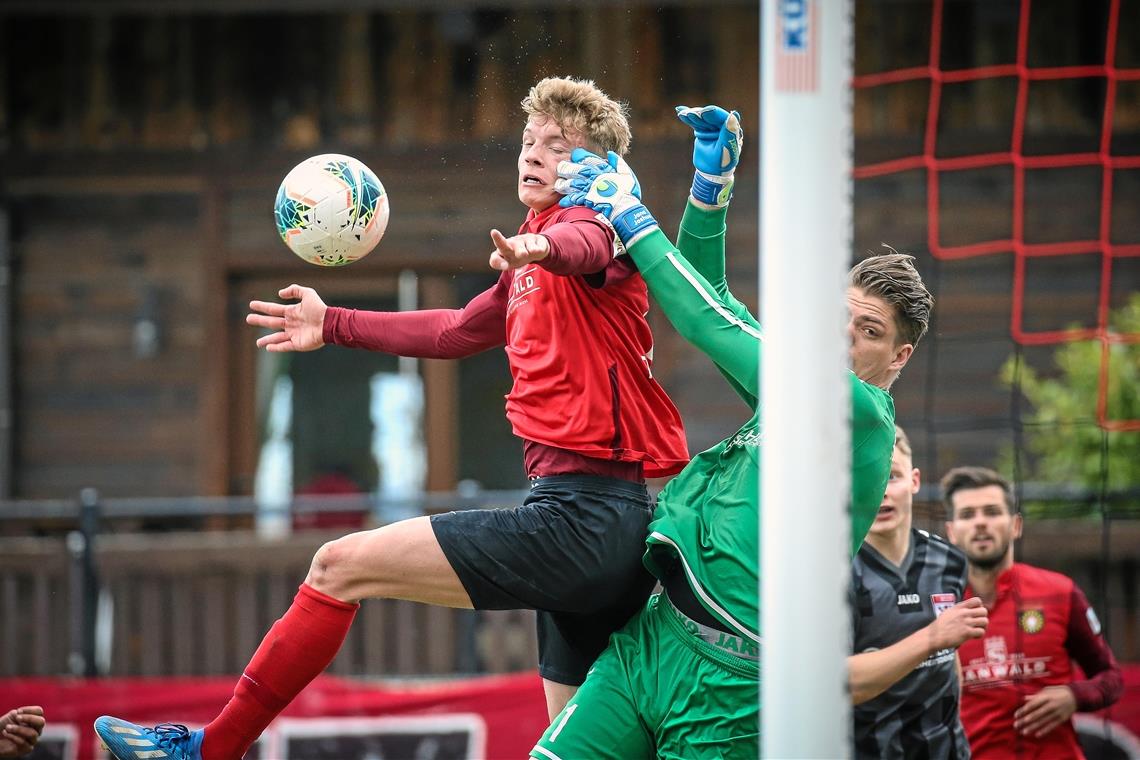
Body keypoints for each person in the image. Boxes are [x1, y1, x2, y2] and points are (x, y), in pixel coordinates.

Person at [95, 76, 690, 760]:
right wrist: (334, 322)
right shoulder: (532, 247)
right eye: (529, 140)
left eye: (558, 145)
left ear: (597, 168)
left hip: (583, 523)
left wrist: (543, 250)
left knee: (337, 565)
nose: (534, 153)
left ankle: (211, 749)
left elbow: (584, 242)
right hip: (593, 526)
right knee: (578, 752)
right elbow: (455, 331)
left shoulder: (597, 226)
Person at [528, 105, 935, 759]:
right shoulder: (793, 394)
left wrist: (632, 220)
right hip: (652, 641)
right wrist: (708, 191)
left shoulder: (857, 413)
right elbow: (707, 288)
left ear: (899, 358)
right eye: (841, 318)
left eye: (870, 332)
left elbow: (704, 320)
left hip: (733, 683)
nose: (844, 339)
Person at [943, 466, 1124, 759]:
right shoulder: (938, 607)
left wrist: (1073, 696)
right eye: (967, 514)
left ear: (1015, 525)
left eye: (991, 511)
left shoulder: (1059, 592)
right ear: (951, 531)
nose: (980, 523)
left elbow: (1111, 678)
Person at [848, 425, 987, 759]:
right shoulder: (833, 572)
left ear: (914, 481)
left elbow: (948, 659)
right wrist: (931, 638)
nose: (881, 490)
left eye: (892, 476)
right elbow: (835, 684)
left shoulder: (949, 559)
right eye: (869, 478)